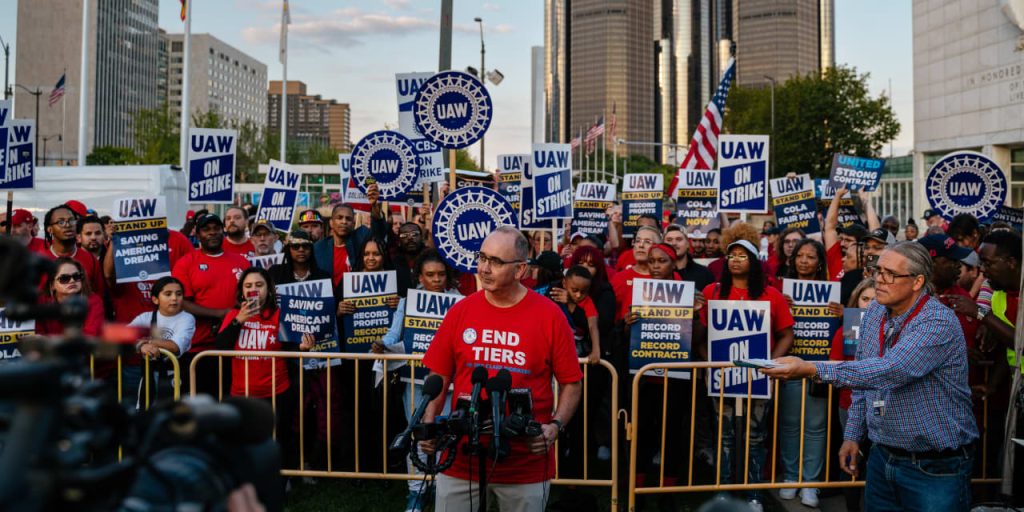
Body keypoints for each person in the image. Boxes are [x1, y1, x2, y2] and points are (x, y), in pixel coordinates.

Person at [763, 241, 978, 512]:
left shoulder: (937, 322)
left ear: (917, 281)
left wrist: (812, 368)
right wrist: (853, 435)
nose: (878, 279)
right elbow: (864, 376)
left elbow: (889, 370)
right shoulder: (875, 310)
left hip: (935, 467)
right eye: (877, 270)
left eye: (889, 274)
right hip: (882, 455)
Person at [420, 226, 582, 511]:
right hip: (461, 457)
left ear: (520, 270)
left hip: (525, 462)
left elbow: (571, 382)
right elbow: (439, 373)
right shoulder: (460, 311)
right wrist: (429, 422)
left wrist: (555, 427)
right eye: (482, 257)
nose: (484, 268)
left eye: (495, 261)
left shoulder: (550, 316)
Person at [695, 239, 794, 511]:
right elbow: (699, 337)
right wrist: (708, 364)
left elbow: (787, 333)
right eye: (731, 255)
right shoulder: (712, 292)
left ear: (754, 261)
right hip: (721, 379)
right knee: (724, 437)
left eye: (742, 255)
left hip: (758, 380)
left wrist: (772, 363)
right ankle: (725, 493)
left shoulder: (771, 294)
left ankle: (754, 496)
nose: (735, 260)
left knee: (755, 437)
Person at [215, 267, 311, 474]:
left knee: (279, 437)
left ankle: (280, 480)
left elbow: (291, 347)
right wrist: (239, 320)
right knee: (242, 441)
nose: (254, 290)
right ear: (241, 291)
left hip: (276, 392)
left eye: (259, 285)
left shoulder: (280, 315)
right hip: (241, 394)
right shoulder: (233, 315)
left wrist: (303, 347)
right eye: (248, 285)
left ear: (269, 289)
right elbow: (220, 346)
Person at [777, 238, 831, 507]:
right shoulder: (779, 290)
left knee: (815, 427)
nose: (804, 261)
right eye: (800, 256)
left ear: (819, 262)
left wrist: (842, 313)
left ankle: (811, 483)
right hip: (789, 365)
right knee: (789, 425)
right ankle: (790, 477)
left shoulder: (832, 292)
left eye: (811, 257)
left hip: (820, 368)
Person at [172, 213, 250, 397]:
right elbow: (182, 303)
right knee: (199, 406)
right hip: (199, 348)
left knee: (231, 404)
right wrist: (221, 314)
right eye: (206, 229)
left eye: (216, 229)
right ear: (197, 235)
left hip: (235, 346)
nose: (212, 233)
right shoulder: (186, 263)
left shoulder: (242, 261)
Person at [126, 276, 195, 408]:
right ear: (155, 299)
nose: (174, 298)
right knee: (146, 416)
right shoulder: (145, 317)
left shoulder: (187, 318)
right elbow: (122, 336)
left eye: (178, 294)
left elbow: (174, 346)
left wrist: (148, 342)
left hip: (176, 380)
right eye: (168, 294)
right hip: (148, 379)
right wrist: (141, 345)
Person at [39, 205, 105, 297]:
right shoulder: (39, 261)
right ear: (49, 229)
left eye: (71, 220)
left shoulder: (90, 259)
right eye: (61, 222)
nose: (68, 225)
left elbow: (98, 295)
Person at [35, 257, 105, 338]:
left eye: (76, 276)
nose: (72, 281)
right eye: (64, 278)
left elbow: (90, 336)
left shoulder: (94, 301)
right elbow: (38, 335)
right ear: (52, 285)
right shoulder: (41, 302)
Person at [664, 224, 715, 291]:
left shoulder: (704, 274)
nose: (674, 243)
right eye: (669, 240)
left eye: (679, 239)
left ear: (688, 244)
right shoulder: (656, 272)